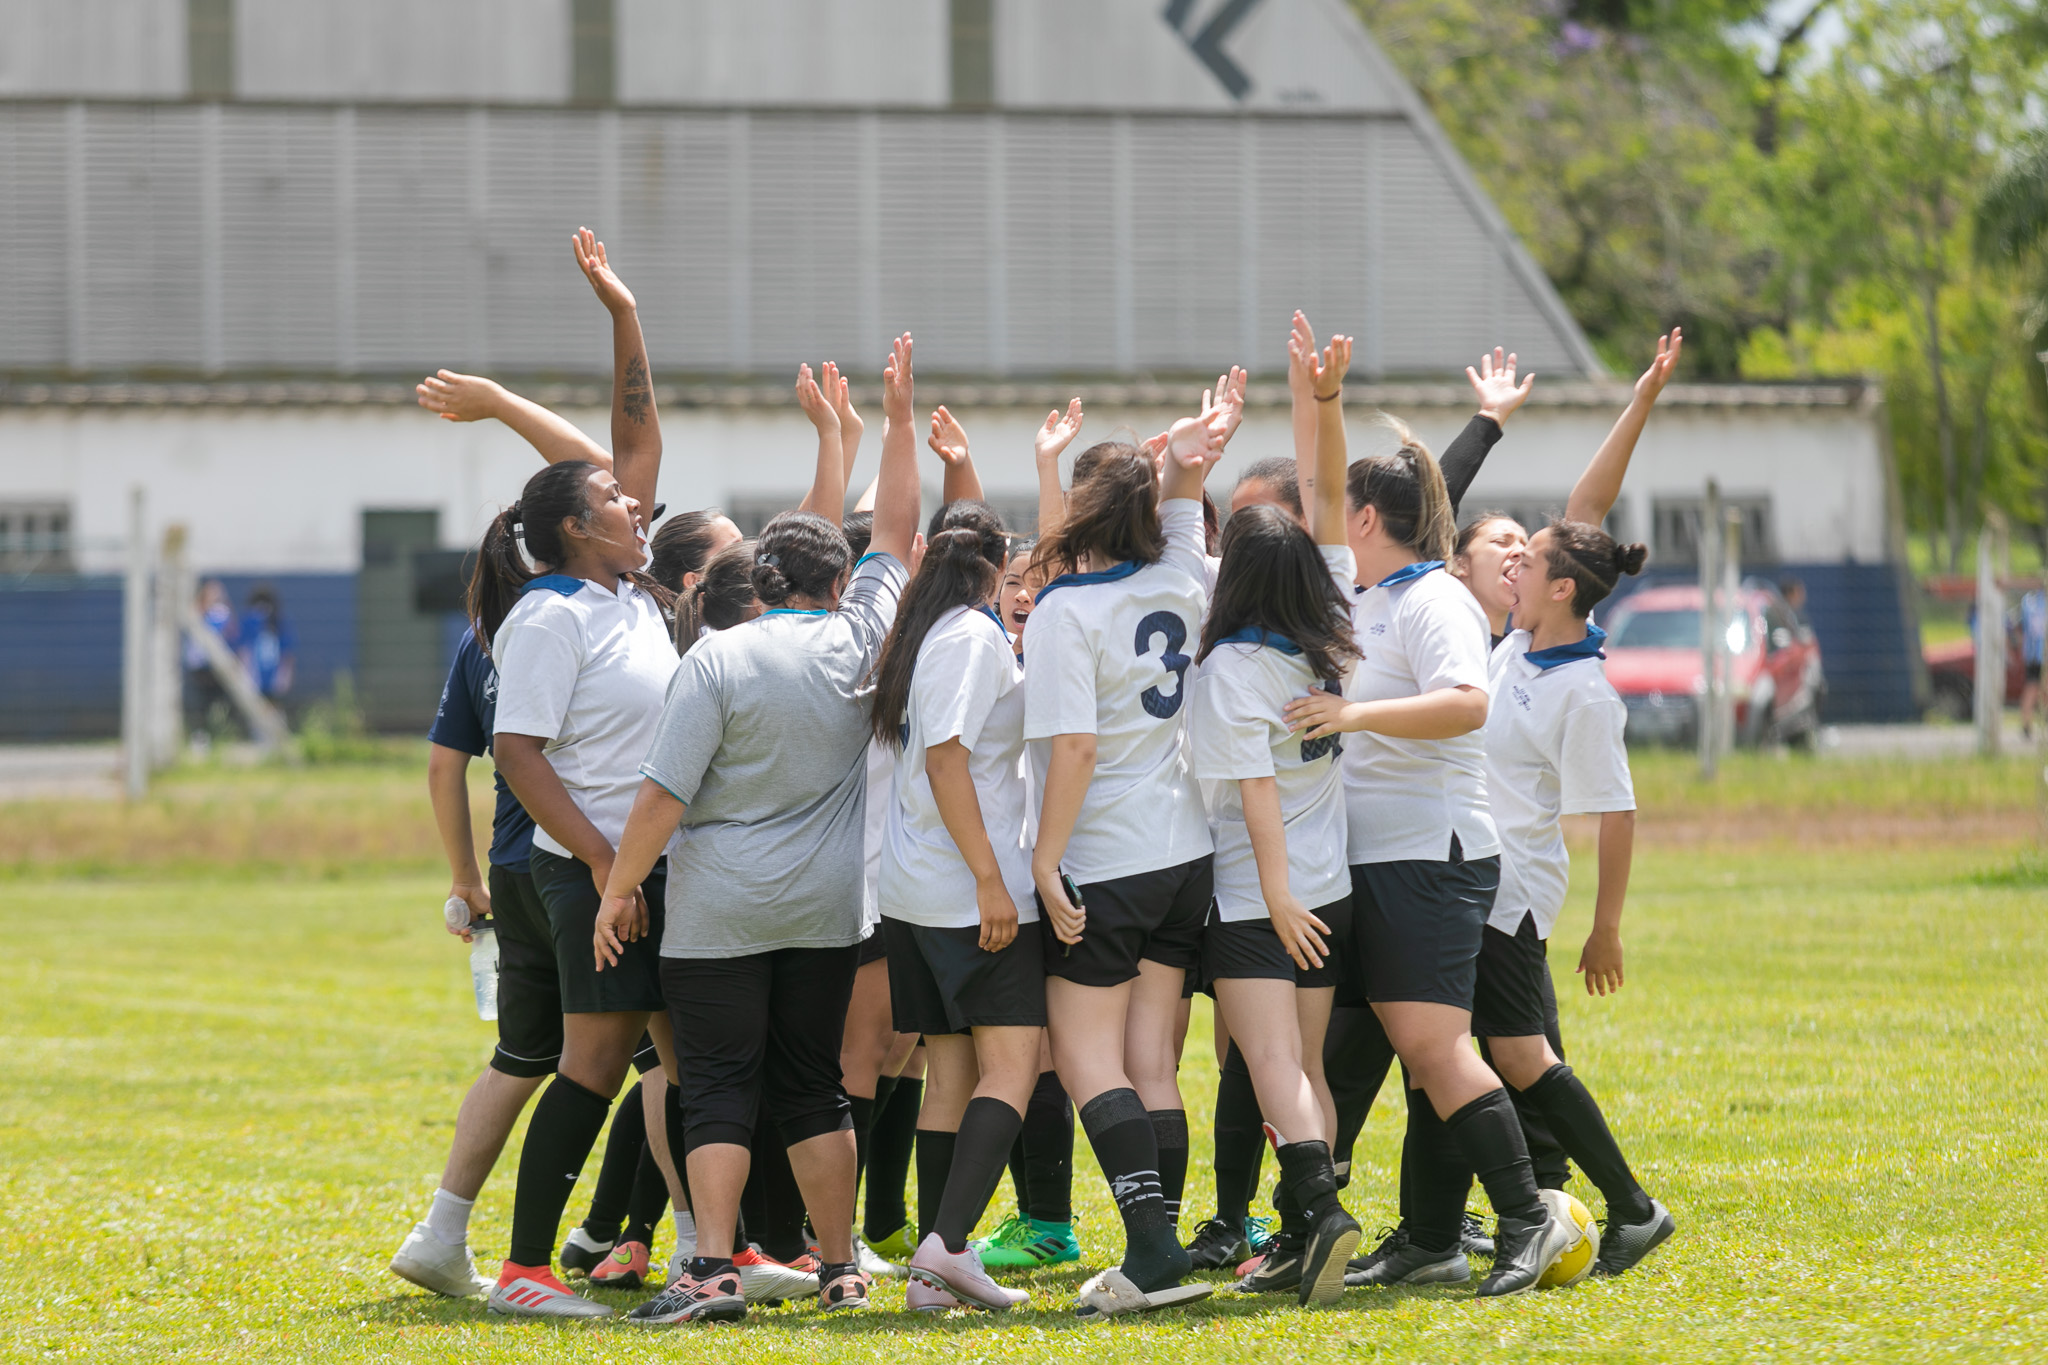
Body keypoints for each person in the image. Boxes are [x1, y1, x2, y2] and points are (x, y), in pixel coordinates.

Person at [600, 335, 921, 1326]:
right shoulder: (864, 637)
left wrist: (619, 889)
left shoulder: (718, 661)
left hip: (718, 908)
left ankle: (709, 1271)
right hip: (827, 909)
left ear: (758, 581)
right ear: (838, 582)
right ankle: (839, 1267)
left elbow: (661, 797)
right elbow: (894, 536)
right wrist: (894, 424)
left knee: (719, 1090)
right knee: (815, 1088)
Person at [1282, 321, 1574, 1299]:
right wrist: (1318, 398)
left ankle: (1528, 1218)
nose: (1329, 515)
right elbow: (1321, 486)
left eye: (1344, 510)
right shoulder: (1354, 591)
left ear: (1372, 520)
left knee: (1434, 1049)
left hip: (1430, 856)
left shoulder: (1427, 599)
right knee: (1376, 1055)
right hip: (1366, 860)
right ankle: (1408, 1237)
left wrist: (1352, 711)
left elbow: (1466, 705)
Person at [472, 229, 685, 1321]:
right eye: (613, 499)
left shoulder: (618, 593)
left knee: (674, 1059)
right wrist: (609, 868)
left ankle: (691, 1250)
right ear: (571, 528)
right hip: (590, 873)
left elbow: (637, 433)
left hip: (634, 869)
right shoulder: (552, 616)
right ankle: (523, 1269)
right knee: (593, 1063)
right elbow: (517, 756)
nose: (636, 504)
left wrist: (623, 312)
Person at [1024, 396, 1231, 1321]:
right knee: (1154, 1061)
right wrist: (1188, 460)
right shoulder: (1184, 576)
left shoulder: (1065, 611)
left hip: (1106, 855)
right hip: (1187, 851)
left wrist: (1044, 857)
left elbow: (1073, 749)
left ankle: (1150, 1252)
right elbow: (1185, 513)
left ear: (1076, 514)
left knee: (1083, 1054)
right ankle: (1168, 1244)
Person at [1189, 318, 1366, 1307]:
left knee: (1266, 1066)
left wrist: (1269, 895)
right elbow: (1329, 500)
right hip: (1329, 890)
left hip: (1266, 898)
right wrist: (1322, 400)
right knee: (1305, 1065)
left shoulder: (1229, 670)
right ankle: (1309, 1233)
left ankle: (1317, 1215)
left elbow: (1253, 796)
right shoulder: (1327, 626)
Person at [1477, 516, 1676, 1278]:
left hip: (1511, 891)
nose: (1512, 570)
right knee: (1493, 1053)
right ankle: (1487, 1215)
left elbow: (1616, 811)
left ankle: (1630, 1206)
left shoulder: (1585, 693)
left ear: (1561, 587)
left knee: (1521, 1055)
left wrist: (1607, 929)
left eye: (1526, 562)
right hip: (1469, 880)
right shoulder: (1520, 643)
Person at [865, 506, 1046, 1312]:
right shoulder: (970, 637)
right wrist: (989, 878)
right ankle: (947, 1248)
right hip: (963, 891)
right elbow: (948, 761)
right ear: (997, 563)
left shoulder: (925, 632)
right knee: (1014, 1064)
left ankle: (941, 1262)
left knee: (953, 1071)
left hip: (913, 892)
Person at [182, 579, 237, 740]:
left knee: (220, 700)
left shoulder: (222, 612)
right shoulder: (196, 611)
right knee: (201, 701)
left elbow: (231, 633)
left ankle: (221, 732)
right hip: (200, 665)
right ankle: (201, 734)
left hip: (218, 666)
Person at [238, 586, 295, 703]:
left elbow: (287, 655)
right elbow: (244, 650)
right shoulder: (249, 621)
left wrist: (284, 677)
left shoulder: (279, 622)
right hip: (255, 677)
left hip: (273, 679)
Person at [2019, 585, 2045, 740]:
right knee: (2036, 688)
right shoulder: (2035, 604)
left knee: (2031, 688)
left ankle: (2026, 723)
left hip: (2031, 655)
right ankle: (2028, 723)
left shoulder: (2028, 602)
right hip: (2040, 655)